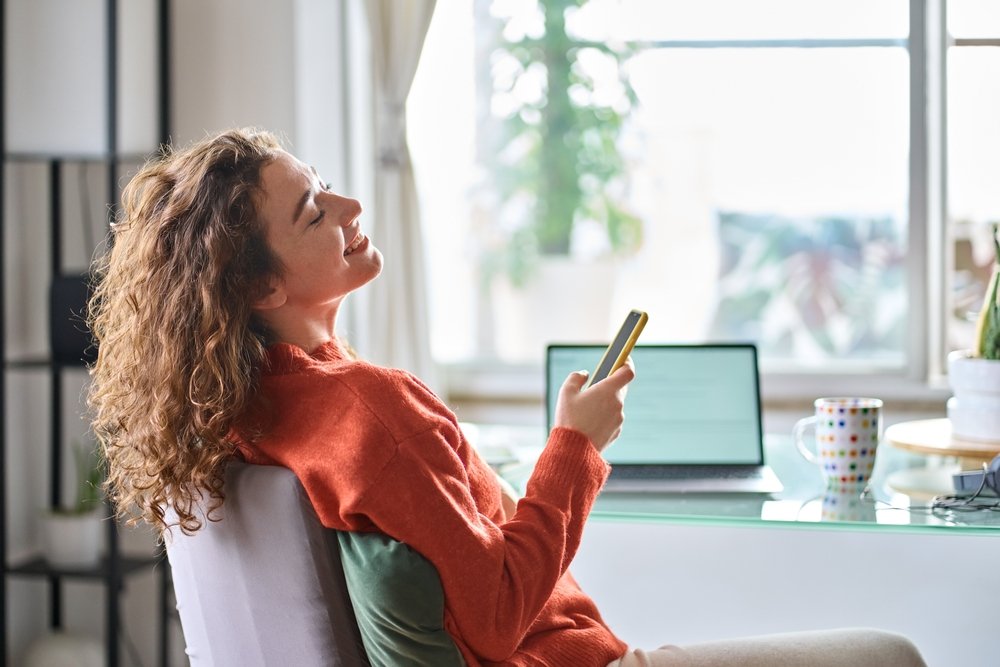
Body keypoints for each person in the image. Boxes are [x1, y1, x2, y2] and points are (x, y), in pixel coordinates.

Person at [88, 128, 926, 667]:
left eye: (328, 185)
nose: (349, 207)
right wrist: (578, 447)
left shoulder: (237, 412)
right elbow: (493, 616)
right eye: (314, 212)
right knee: (891, 655)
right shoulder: (369, 410)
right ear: (266, 285)